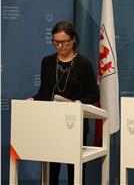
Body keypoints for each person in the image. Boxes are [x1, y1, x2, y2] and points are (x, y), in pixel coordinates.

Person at [31, 20, 99, 185]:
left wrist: (77, 103)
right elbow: (44, 92)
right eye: (56, 42)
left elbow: (94, 94)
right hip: (51, 123)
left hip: (74, 124)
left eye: (64, 42)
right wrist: (33, 99)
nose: (60, 46)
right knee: (51, 169)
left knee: (74, 169)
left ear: (73, 39)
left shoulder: (83, 64)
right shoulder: (47, 62)